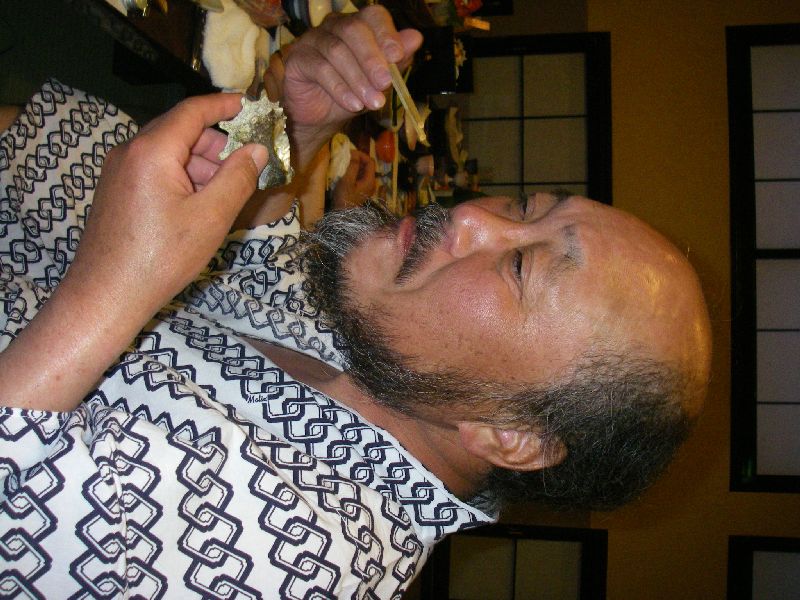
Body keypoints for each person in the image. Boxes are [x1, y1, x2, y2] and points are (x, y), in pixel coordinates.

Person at [0, 6, 711, 598]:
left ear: (510, 436)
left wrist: (107, 292)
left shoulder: (290, 567)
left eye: (521, 268)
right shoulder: (380, 355)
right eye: (526, 206)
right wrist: (291, 123)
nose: (472, 217)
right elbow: (254, 258)